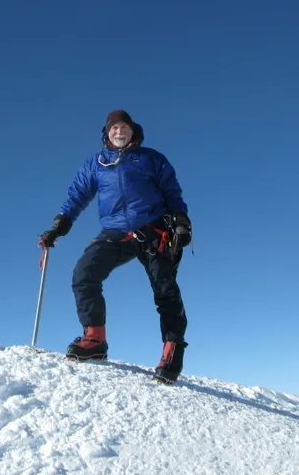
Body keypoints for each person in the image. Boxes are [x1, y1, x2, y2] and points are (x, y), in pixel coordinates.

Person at [38, 109, 192, 384]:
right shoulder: (95, 164)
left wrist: (181, 220)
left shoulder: (151, 158)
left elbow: (172, 191)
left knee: (165, 288)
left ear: (134, 132)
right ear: (107, 134)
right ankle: (95, 339)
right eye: (114, 129)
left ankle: (172, 349)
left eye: (124, 128)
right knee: (85, 274)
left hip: (154, 228)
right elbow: (76, 197)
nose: (119, 132)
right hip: (116, 231)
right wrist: (59, 225)